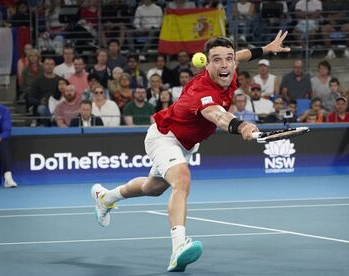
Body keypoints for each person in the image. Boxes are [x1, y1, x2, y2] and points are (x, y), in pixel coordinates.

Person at [91, 31, 290, 272]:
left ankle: (106, 198)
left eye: (228, 58)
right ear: (207, 64)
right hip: (164, 136)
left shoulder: (229, 68)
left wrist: (266, 49)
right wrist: (243, 126)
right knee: (182, 179)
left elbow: (241, 55)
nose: (225, 63)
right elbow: (218, 115)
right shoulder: (202, 91)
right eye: (217, 59)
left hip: (185, 143)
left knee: (152, 188)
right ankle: (178, 248)